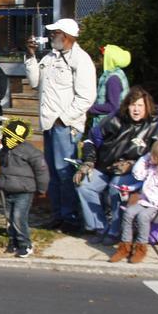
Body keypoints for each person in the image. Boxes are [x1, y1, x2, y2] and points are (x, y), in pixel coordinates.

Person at [25, 18, 96, 231]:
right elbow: (35, 82)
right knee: (53, 173)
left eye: (54, 33)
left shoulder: (81, 60)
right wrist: (30, 56)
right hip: (49, 124)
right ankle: (57, 215)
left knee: (65, 171)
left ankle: (71, 218)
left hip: (66, 126)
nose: (51, 36)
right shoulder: (50, 56)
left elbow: (86, 97)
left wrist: (63, 118)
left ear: (65, 36)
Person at [75, 86, 158, 243]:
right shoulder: (114, 119)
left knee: (115, 189)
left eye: (140, 106)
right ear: (127, 106)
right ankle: (99, 227)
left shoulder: (154, 127)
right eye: (133, 105)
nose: (136, 110)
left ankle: (115, 230)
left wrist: (134, 164)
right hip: (105, 167)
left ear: (147, 107)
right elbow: (90, 140)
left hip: (134, 172)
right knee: (83, 185)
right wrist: (88, 161)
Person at [0, 119, 49, 258]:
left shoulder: (31, 152)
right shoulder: (4, 150)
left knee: (19, 217)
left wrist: (42, 189)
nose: (7, 139)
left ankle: (25, 244)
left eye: (11, 137)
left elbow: (41, 170)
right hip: (7, 189)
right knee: (9, 218)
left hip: (24, 191)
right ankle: (13, 242)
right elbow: (2, 168)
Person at [88, 44, 131, 127]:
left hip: (108, 127)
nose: (99, 59)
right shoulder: (118, 73)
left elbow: (113, 107)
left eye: (101, 56)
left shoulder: (113, 79)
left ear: (108, 59)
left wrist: (90, 108)